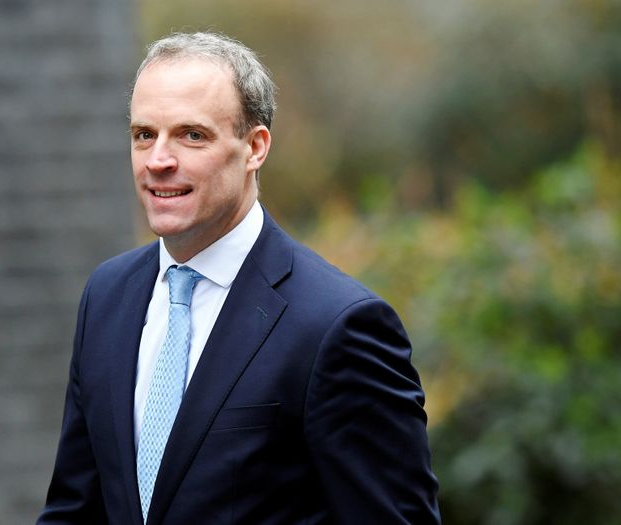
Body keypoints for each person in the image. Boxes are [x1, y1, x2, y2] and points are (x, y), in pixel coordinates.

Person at [38, 31, 440, 525]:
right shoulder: (107, 296)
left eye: (192, 135)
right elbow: (74, 511)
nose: (158, 160)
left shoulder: (338, 327)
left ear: (255, 147)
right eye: (145, 134)